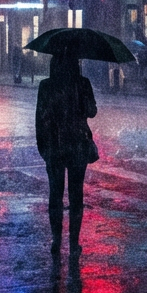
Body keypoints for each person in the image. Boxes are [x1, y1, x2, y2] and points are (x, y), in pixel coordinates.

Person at [35, 54, 98, 255]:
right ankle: (73, 243)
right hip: (77, 145)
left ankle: (56, 240)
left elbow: (40, 119)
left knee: (55, 195)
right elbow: (92, 111)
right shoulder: (82, 83)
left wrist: (43, 147)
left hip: (54, 146)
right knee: (76, 195)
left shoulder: (46, 86)